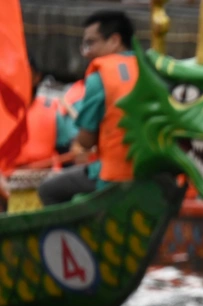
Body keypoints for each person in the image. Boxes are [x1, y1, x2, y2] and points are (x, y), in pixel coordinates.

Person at [38, 10, 135, 206]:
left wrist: (79, 142)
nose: (86, 52)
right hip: (151, 170)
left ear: (114, 40)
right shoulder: (149, 67)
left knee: (47, 189)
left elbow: (85, 139)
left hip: (116, 172)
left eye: (90, 43)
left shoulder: (99, 78)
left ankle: (67, 236)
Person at [11, 56, 79, 170]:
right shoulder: (3, 111)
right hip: (6, 178)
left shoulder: (52, 110)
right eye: (16, 73)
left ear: (36, 77)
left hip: (44, 176)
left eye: (25, 72)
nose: (19, 78)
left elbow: (65, 152)